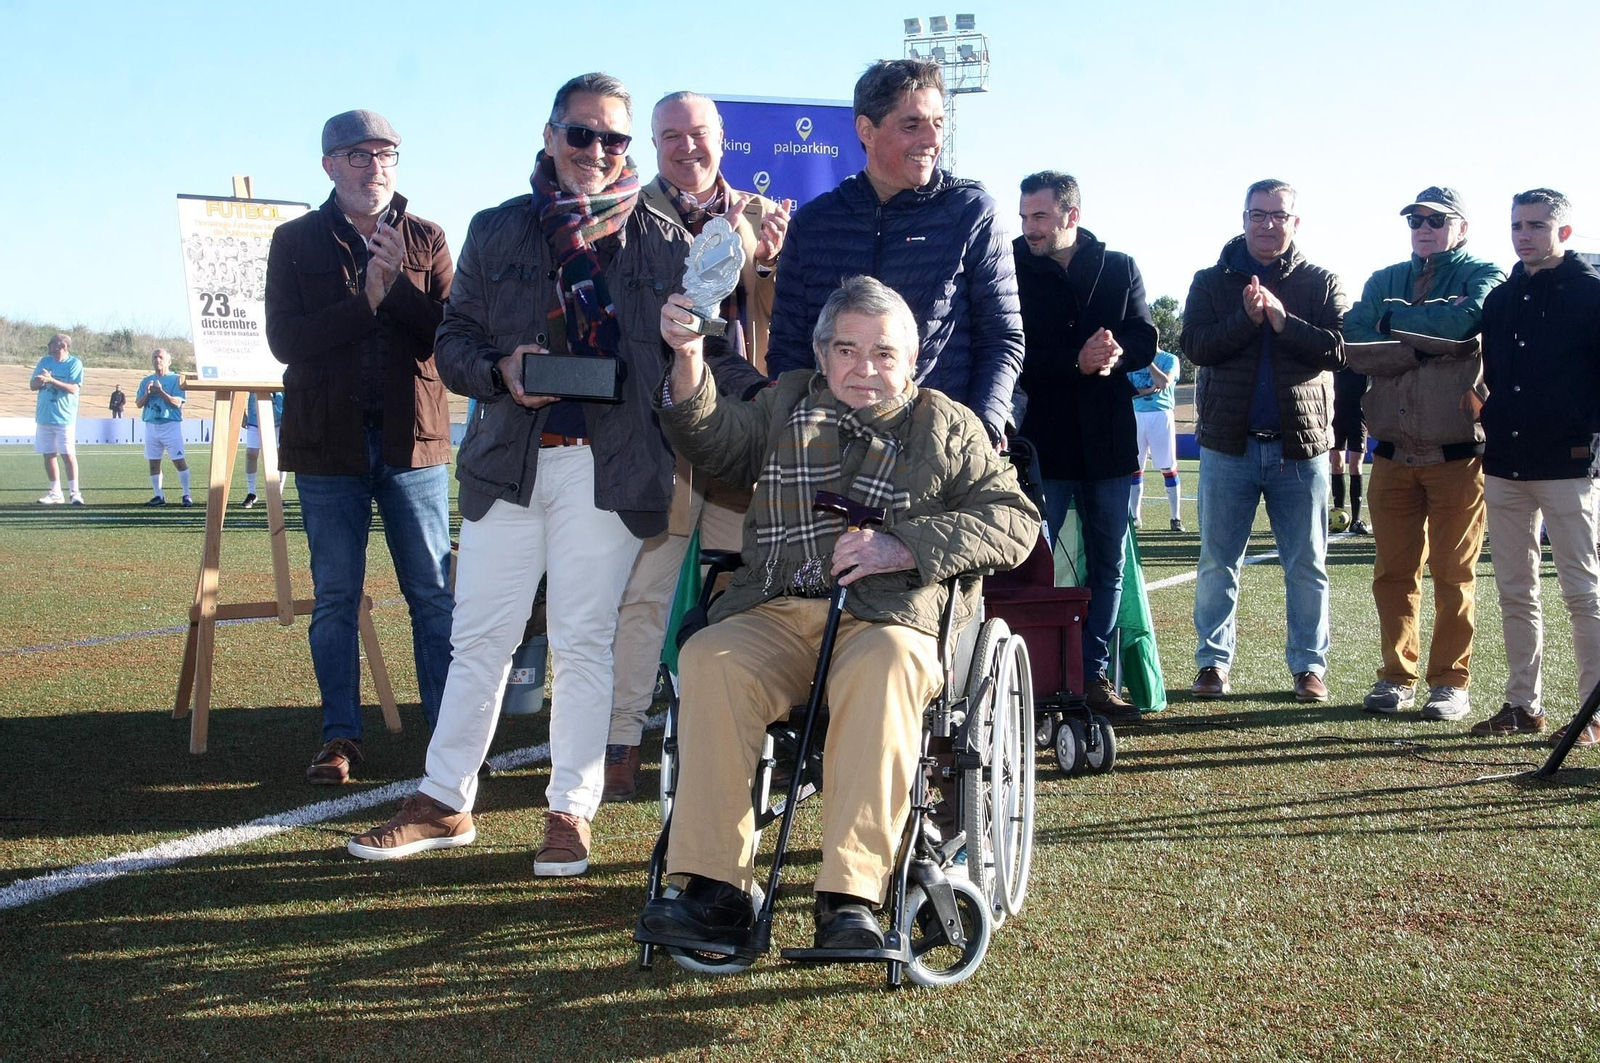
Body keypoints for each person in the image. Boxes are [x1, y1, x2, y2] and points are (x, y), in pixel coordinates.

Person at [345, 73, 765, 874]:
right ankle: (443, 799)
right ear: (550, 136)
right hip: (509, 461)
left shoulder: (667, 239)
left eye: (614, 139)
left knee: (583, 641)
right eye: (582, 134)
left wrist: (765, 394)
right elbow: (453, 342)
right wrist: (501, 369)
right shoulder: (497, 227)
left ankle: (571, 810)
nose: (597, 151)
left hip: (611, 469)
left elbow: (707, 350)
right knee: (480, 637)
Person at [637, 275, 1037, 952]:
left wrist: (902, 546)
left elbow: (1015, 521)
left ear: (912, 360)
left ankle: (851, 897)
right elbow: (713, 438)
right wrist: (688, 356)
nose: (864, 368)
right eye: (847, 351)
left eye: (884, 353)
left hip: (888, 617)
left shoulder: (948, 424)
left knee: (884, 667)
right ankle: (714, 889)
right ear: (822, 355)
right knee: (710, 657)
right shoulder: (785, 402)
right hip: (775, 604)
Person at [603, 90, 793, 802]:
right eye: (671, 136)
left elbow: (787, 324)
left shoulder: (759, 214)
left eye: (699, 133)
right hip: (663, 435)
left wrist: (767, 263)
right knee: (643, 597)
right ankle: (621, 741)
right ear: (654, 145)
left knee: (749, 590)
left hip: (741, 435)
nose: (687, 147)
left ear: (722, 136)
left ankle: (745, 734)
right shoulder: (629, 213)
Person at [264, 108, 456, 784]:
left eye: (385, 154)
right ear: (329, 165)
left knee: (434, 596)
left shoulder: (427, 237)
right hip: (328, 449)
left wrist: (394, 289)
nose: (374, 167)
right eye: (358, 155)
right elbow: (286, 341)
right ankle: (339, 737)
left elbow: (449, 337)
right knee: (336, 598)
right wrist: (365, 302)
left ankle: (450, 739)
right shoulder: (294, 242)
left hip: (415, 445)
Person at [763, 59, 1024, 445]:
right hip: (831, 448)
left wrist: (981, 429)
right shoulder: (814, 223)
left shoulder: (972, 212)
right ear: (866, 130)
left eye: (938, 123)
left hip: (941, 447)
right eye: (912, 125)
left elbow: (1002, 338)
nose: (931, 139)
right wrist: (802, 433)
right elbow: (788, 348)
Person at [1343, 186, 1504, 721]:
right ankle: (1396, 677)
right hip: (1391, 455)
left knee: (1454, 576)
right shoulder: (1383, 278)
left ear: (1462, 228)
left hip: (1457, 454)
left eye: (1436, 220)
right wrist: (1425, 341)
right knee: (1392, 573)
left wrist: (1392, 325)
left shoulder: (1484, 273)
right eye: (1416, 220)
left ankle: (1450, 683)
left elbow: (1463, 328)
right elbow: (1355, 342)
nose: (1424, 228)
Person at [1184, 179, 1348, 703]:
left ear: (1295, 222)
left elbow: (1339, 349)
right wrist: (1245, 319)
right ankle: (1212, 663)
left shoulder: (1322, 282)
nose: (1268, 224)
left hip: (1300, 448)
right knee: (1217, 563)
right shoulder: (1210, 281)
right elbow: (1196, 347)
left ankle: (1309, 668)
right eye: (1258, 214)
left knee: (1306, 565)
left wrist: (1282, 321)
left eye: (1279, 215)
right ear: (1244, 219)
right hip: (1227, 446)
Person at [1012, 170, 1156, 717]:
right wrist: (1075, 360)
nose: (1029, 227)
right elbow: (1008, 349)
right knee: (1029, 559)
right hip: (1040, 445)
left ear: (1071, 215)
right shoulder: (1009, 266)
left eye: (1040, 216)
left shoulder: (1120, 266)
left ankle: (1092, 674)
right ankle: (1028, 676)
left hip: (1108, 445)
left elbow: (1145, 336)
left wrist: (1117, 352)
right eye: (1024, 216)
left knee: (1108, 565)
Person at [1470, 189, 1600, 749]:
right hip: (1505, 463)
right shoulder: (1501, 299)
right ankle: (1523, 704)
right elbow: (1494, 376)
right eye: (1516, 225)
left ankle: (1592, 714)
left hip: (1568, 464)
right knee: (1514, 589)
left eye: (1536, 225)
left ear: (1563, 232)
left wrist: (1583, 436)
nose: (1523, 235)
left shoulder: (1591, 294)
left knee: (1583, 593)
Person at [1129, 350, 1183, 531]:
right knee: (1135, 468)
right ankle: (1135, 517)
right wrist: (1149, 390)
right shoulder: (1132, 359)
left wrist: (1148, 362)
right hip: (1136, 415)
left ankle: (1175, 518)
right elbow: (1127, 390)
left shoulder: (1169, 359)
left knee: (1168, 467)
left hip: (1161, 414)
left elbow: (1164, 382)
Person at [32, 332, 85, 505]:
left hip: (64, 417)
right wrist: (41, 381)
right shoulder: (44, 362)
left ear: (62, 346)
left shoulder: (74, 364)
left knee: (68, 455)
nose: (49, 346)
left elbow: (73, 388)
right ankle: (55, 492)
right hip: (44, 416)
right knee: (48, 454)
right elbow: (33, 385)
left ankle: (75, 493)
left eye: (52, 343)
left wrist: (51, 380)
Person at [135, 348, 190, 506]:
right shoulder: (146, 381)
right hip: (151, 425)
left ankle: (186, 494)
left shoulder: (176, 380)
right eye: (154, 357)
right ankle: (158, 495)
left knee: (178, 461)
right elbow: (139, 403)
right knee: (153, 462)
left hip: (170, 425)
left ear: (168, 361)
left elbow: (177, 403)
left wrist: (161, 392)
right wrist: (147, 393)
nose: (157, 360)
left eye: (160, 357)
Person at [1328, 366, 1370, 534]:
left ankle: (1356, 520)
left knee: (1355, 466)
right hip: (1336, 415)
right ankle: (1338, 514)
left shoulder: (1362, 361)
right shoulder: (1335, 361)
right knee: (1337, 464)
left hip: (1357, 416)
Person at [240, 391, 285, 508]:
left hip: (279, 416)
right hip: (255, 416)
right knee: (251, 454)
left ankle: (278, 492)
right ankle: (251, 493)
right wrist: (241, 413)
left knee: (280, 454)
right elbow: (239, 390)